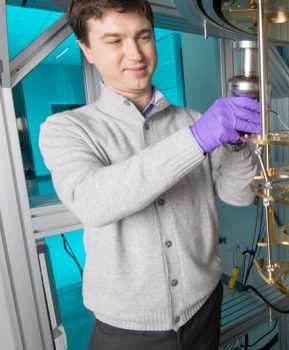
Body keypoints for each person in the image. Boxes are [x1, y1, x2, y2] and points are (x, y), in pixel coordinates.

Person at [38, 0, 261, 349]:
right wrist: (197, 139)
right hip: (126, 331)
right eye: (114, 41)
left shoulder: (190, 118)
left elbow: (240, 195)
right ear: (87, 50)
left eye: (143, 37)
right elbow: (94, 202)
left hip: (204, 310)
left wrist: (236, 144)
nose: (135, 54)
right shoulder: (67, 128)